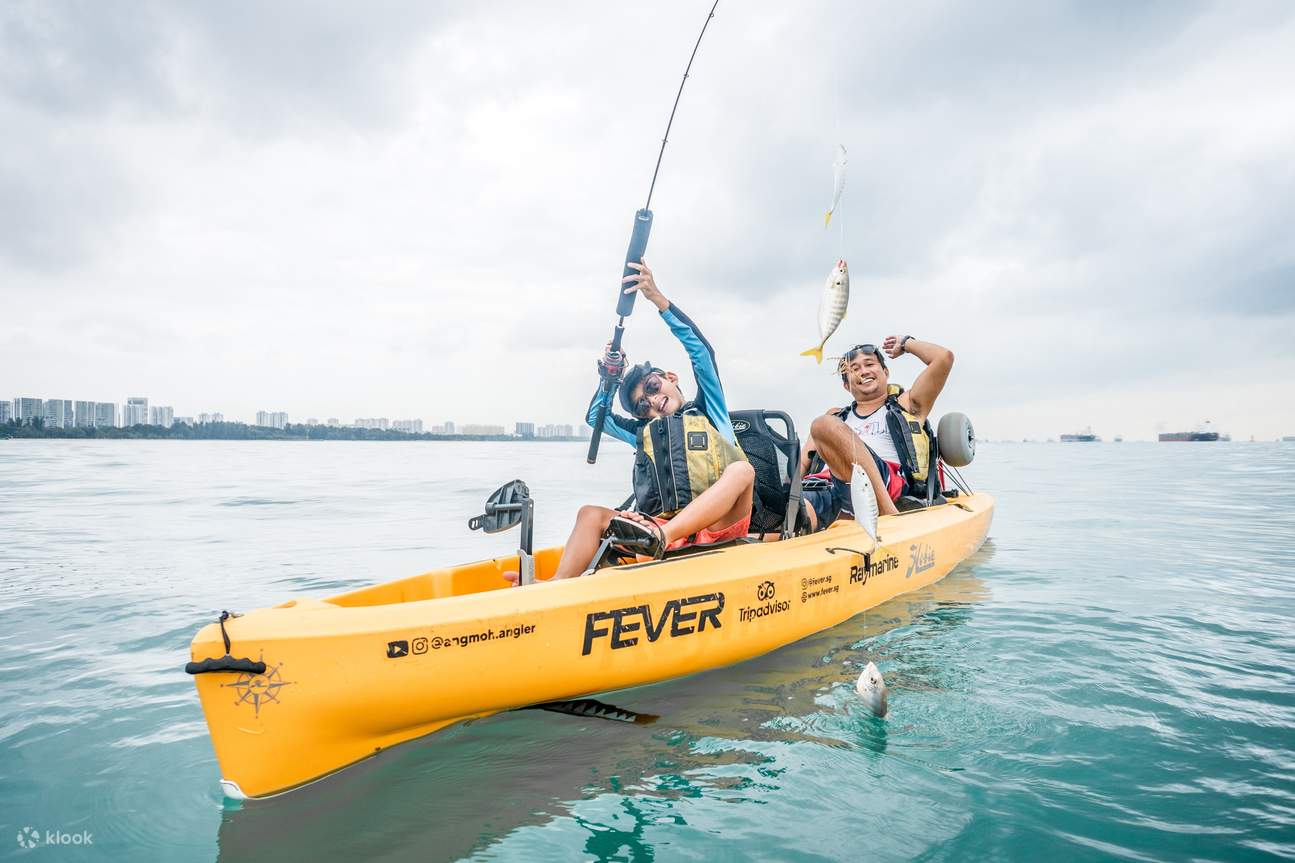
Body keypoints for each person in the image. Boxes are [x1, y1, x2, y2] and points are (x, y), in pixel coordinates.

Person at [503, 261, 755, 585]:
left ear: (670, 378)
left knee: (742, 471)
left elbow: (702, 354)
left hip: (719, 529)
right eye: (642, 405)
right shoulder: (643, 432)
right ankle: (553, 587)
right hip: (661, 535)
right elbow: (597, 418)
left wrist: (658, 299)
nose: (651, 400)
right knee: (589, 515)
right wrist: (607, 378)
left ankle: (662, 535)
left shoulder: (710, 409)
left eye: (652, 387)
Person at [800, 336, 954, 531]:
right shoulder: (836, 416)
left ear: (885, 372)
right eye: (854, 369)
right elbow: (803, 463)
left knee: (823, 425)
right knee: (796, 508)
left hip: (885, 481)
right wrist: (788, 494)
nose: (863, 371)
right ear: (847, 385)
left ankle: (889, 517)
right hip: (828, 486)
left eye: (869, 364)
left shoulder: (906, 405)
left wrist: (905, 344)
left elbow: (943, 358)